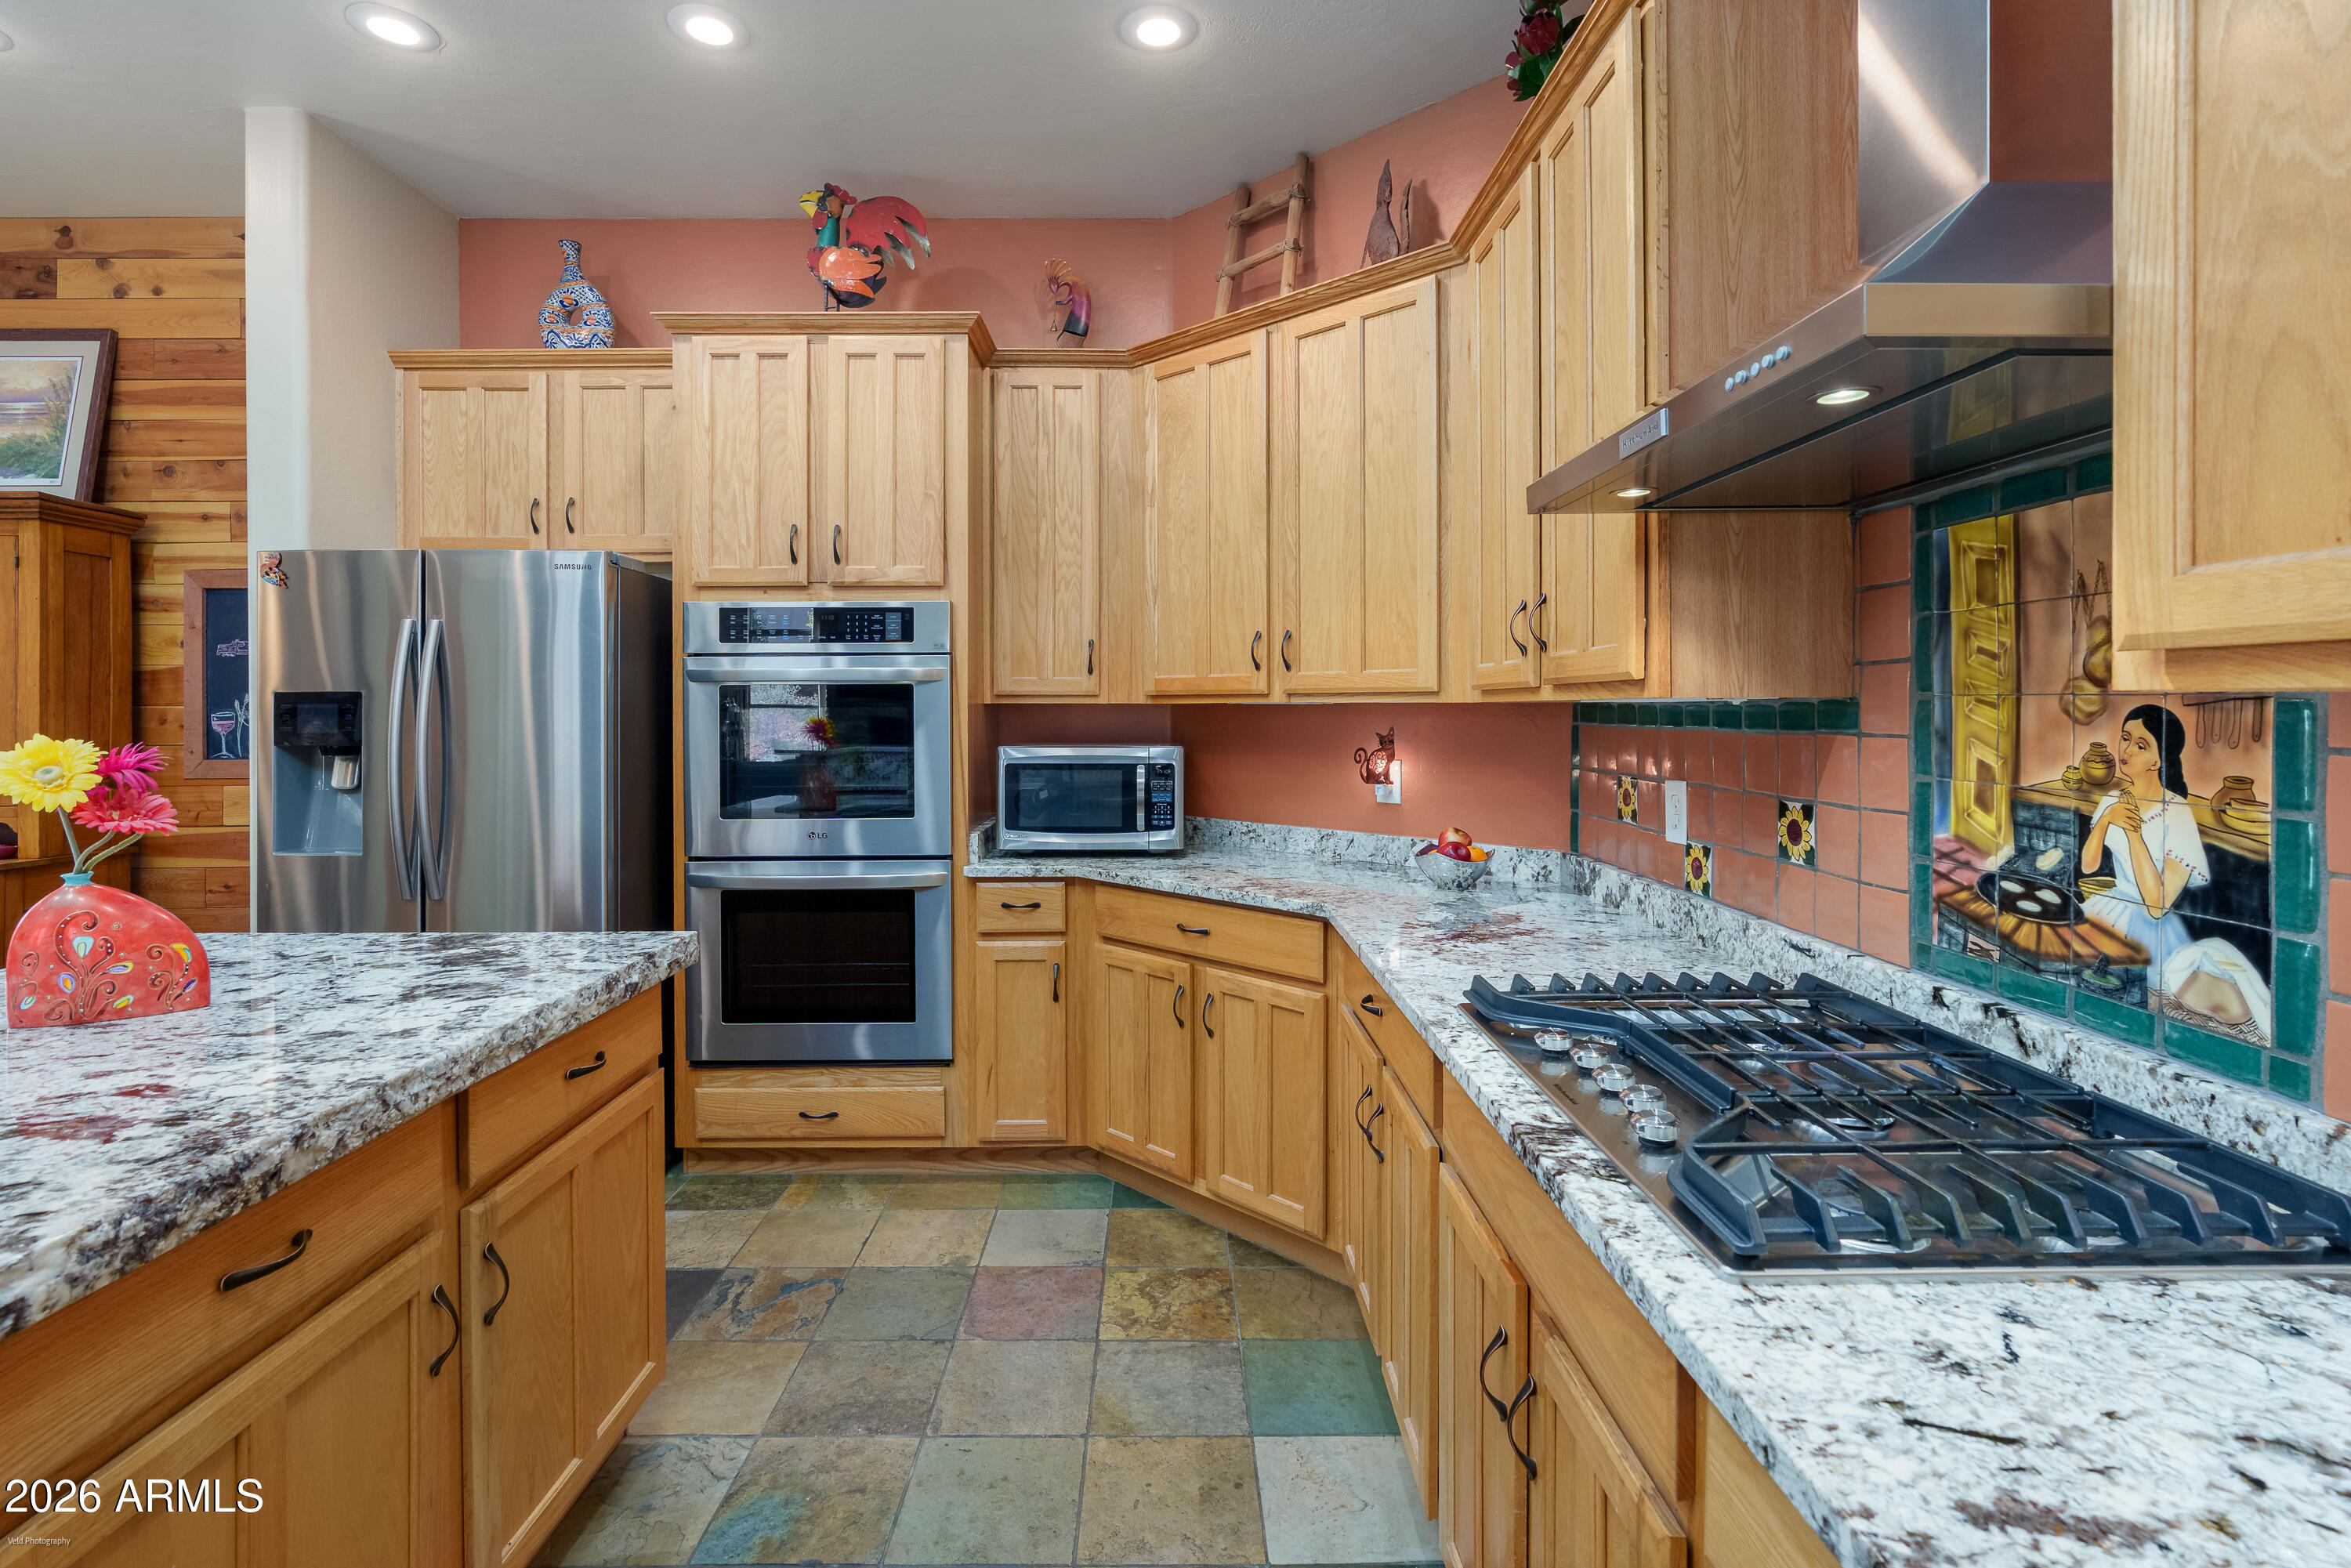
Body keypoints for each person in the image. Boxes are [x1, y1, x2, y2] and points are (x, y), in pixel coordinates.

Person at [2079, 704, 2270, 1037]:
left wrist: (2134, 834)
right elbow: (2088, 866)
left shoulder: (2177, 812)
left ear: (2158, 761)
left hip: (2153, 929)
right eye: (2125, 738)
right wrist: (2107, 819)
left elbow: (2157, 905)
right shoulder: (2112, 799)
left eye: (2141, 745)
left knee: (2201, 996)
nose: (2126, 750)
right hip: (2108, 910)